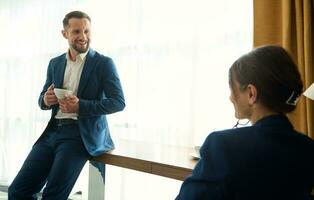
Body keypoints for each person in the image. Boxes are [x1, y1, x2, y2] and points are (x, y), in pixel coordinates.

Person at [8, 11, 125, 200]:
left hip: (79, 136)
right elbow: (42, 98)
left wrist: (81, 106)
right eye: (77, 31)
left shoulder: (104, 64)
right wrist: (46, 100)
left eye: (87, 31)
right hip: (52, 132)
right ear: (65, 34)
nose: (83, 37)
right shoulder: (55, 63)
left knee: (52, 196)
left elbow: (118, 102)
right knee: (16, 191)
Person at [176, 45, 314, 200]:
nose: (230, 98)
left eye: (232, 89)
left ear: (251, 93)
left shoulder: (222, 146)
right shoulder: (308, 149)